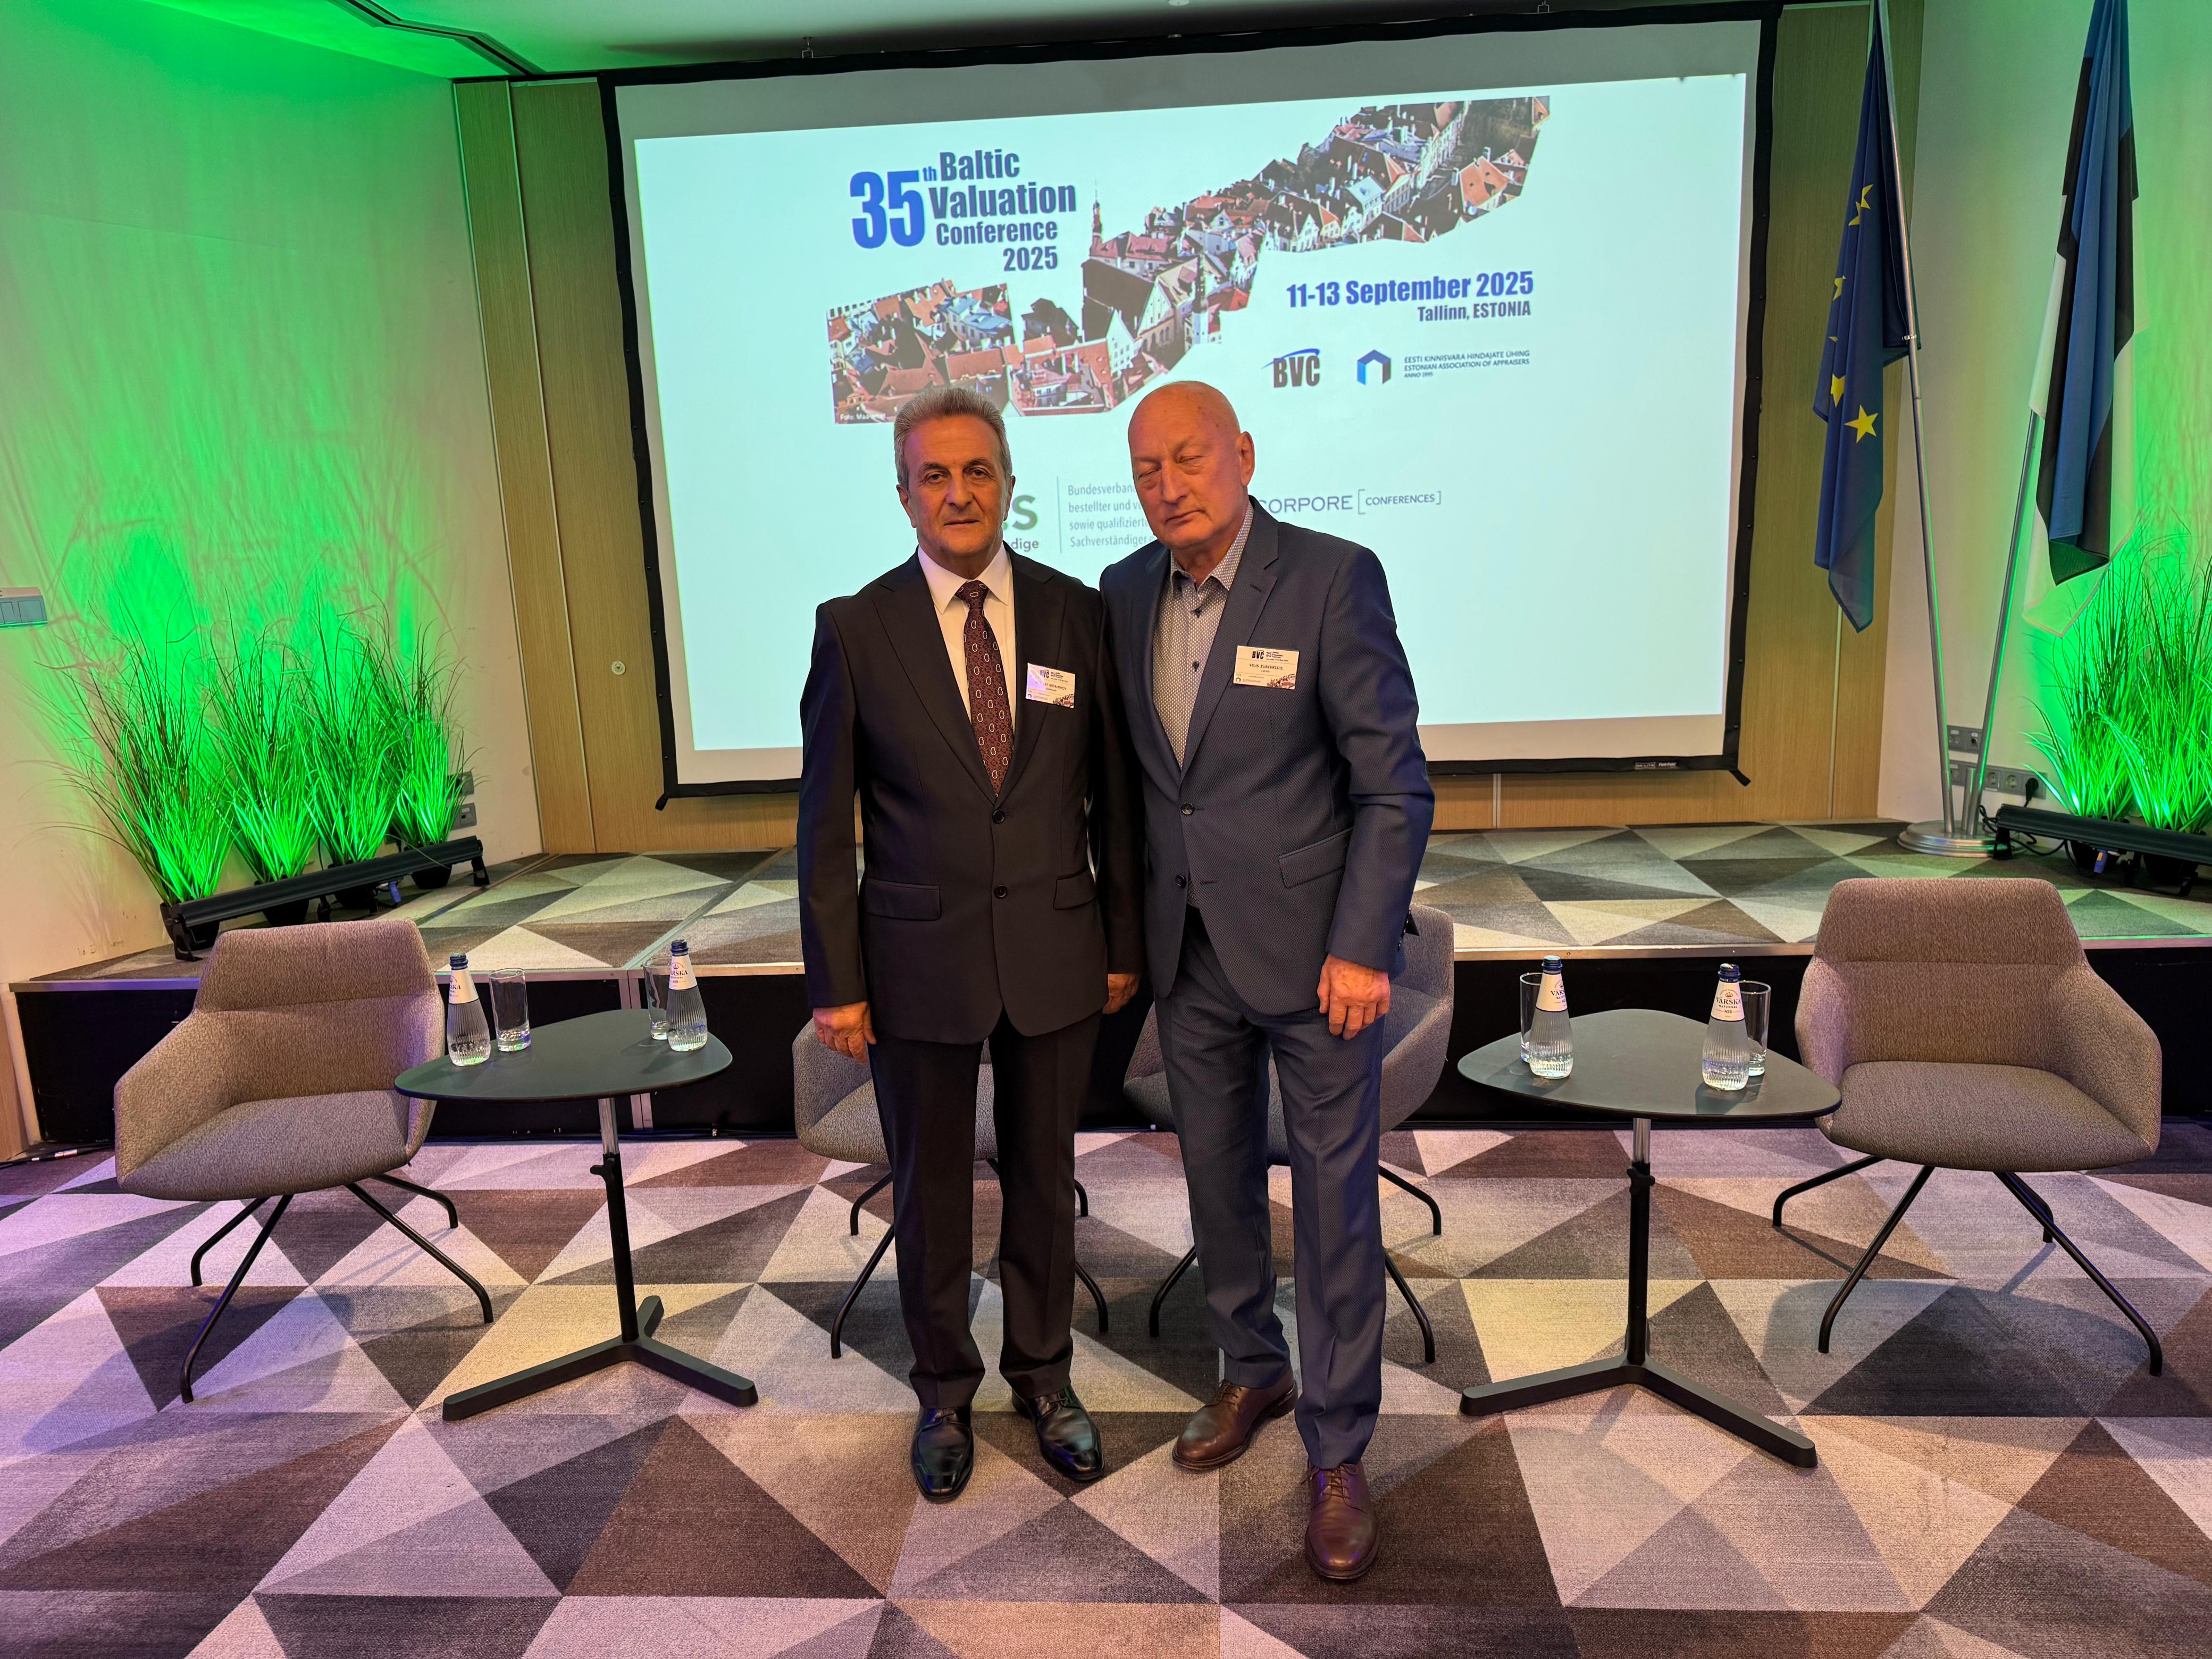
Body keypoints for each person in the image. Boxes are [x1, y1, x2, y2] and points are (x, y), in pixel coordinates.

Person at [1099, 381, 1431, 1582]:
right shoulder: (1122, 591)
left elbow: (1392, 784)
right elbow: (1144, 786)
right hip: (1188, 953)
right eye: (1147, 469)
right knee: (1216, 1184)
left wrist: (1363, 944)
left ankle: (1339, 1449)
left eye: (1189, 459)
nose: (1169, 486)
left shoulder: (1334, 577)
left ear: (1243, 454)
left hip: (1315, 961)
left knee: (1335, 1209)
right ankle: (1252, 1372)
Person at [798, 384, 1142, 1503]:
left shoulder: (1077, 614)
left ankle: (1045, 1377)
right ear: (903, 494)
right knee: (932, 1193)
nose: (958, 493)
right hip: (916, 965)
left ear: (1009, 484)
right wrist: (837, 981)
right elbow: (824, 825)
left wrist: (1122, 939)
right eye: (934, 476)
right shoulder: (856, 627)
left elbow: (1113, 798)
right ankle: (943, 1391)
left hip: (1056, 949)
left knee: (1046, 1182)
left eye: (977, 471)